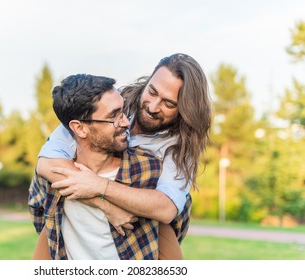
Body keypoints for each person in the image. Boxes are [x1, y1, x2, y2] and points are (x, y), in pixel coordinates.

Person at [36, 53, 212, 259]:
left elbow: (166, 208)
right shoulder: (111, 102)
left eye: (169, 104)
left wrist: (101, 186)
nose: (153, 107)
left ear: (185, 109)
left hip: (143, 231)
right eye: (152, 92)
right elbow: (47, 163)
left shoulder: (180, 144)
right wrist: (105, 203)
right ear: (148, 81)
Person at [28, 74, 163, 260]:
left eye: (123, 112)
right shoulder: (52, 176)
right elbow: (39, 215)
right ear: (80, 128)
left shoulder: (150, 170)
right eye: (113, 116)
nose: (125, 122)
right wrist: (105, 204)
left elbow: (175, 222)